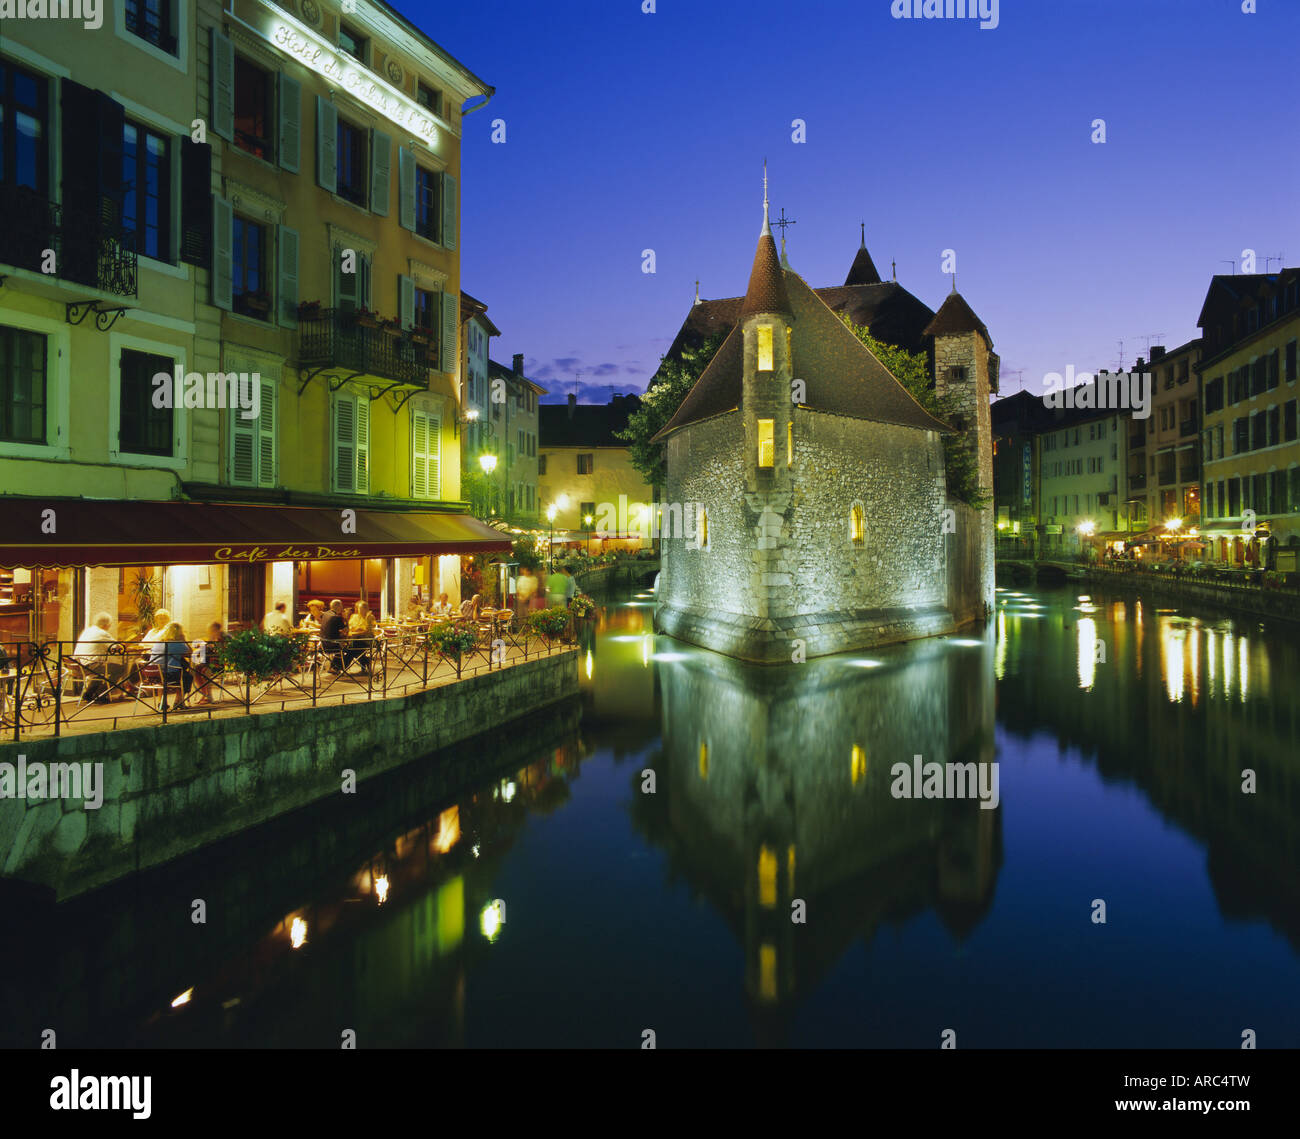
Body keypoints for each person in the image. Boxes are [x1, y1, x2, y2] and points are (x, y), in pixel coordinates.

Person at [74, 612, 124, 701]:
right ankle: (101, 694)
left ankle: (88, 694)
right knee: (120, 669)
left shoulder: (88, 630)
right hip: (91, 665)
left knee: (102, 671)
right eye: (110, 625)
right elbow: (116, 647)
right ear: (106, 624)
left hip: (78, 665)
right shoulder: (102, 633)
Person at [148, 621, 193, 704]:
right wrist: (184, 640)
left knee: (164, 676)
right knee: (187, 677)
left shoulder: (158, 643)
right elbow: (190, 652)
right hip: (168, 675)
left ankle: (161, 702)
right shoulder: (178, 644)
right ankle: (178, 702)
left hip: (153, 675)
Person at [191, 620, 228, 705]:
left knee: (205, 671)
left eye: (211, 630)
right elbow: (207, 650)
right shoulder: (210, 639)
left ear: (217, 630)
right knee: (196, 670)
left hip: (220, 663)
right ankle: (204, 694)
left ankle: (209, 696)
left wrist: (212, 644)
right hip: (209, 662)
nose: (210, 632)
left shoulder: (223, 638)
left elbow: (223, 652)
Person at [320, 600, 348, 673]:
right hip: (333, 645)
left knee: (346, 647)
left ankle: (334, 667)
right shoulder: (336, 617)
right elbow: (346, 630)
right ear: (337, 606)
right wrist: (345, 617)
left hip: (324, 644)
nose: (342, 608)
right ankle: (336, 668)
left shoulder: (325, 614)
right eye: (341, 606)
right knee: (351, 649)